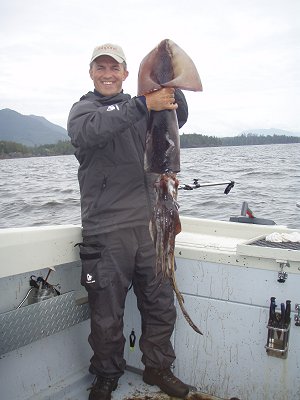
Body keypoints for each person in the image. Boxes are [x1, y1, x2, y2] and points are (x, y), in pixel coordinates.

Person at [67, 43, 190, 400]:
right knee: (106, 313)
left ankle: (158, 368)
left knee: (160, 302)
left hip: (151, 226)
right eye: (100, 68)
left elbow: (176, 117)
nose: (107, 74)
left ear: (124, 73)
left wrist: (169, 88)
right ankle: (106, 376)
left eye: (114, 68)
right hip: (106, 232)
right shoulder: (83, 111)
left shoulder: (144, 109)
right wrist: (141, 104)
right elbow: (89, 133)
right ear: (91, 73)